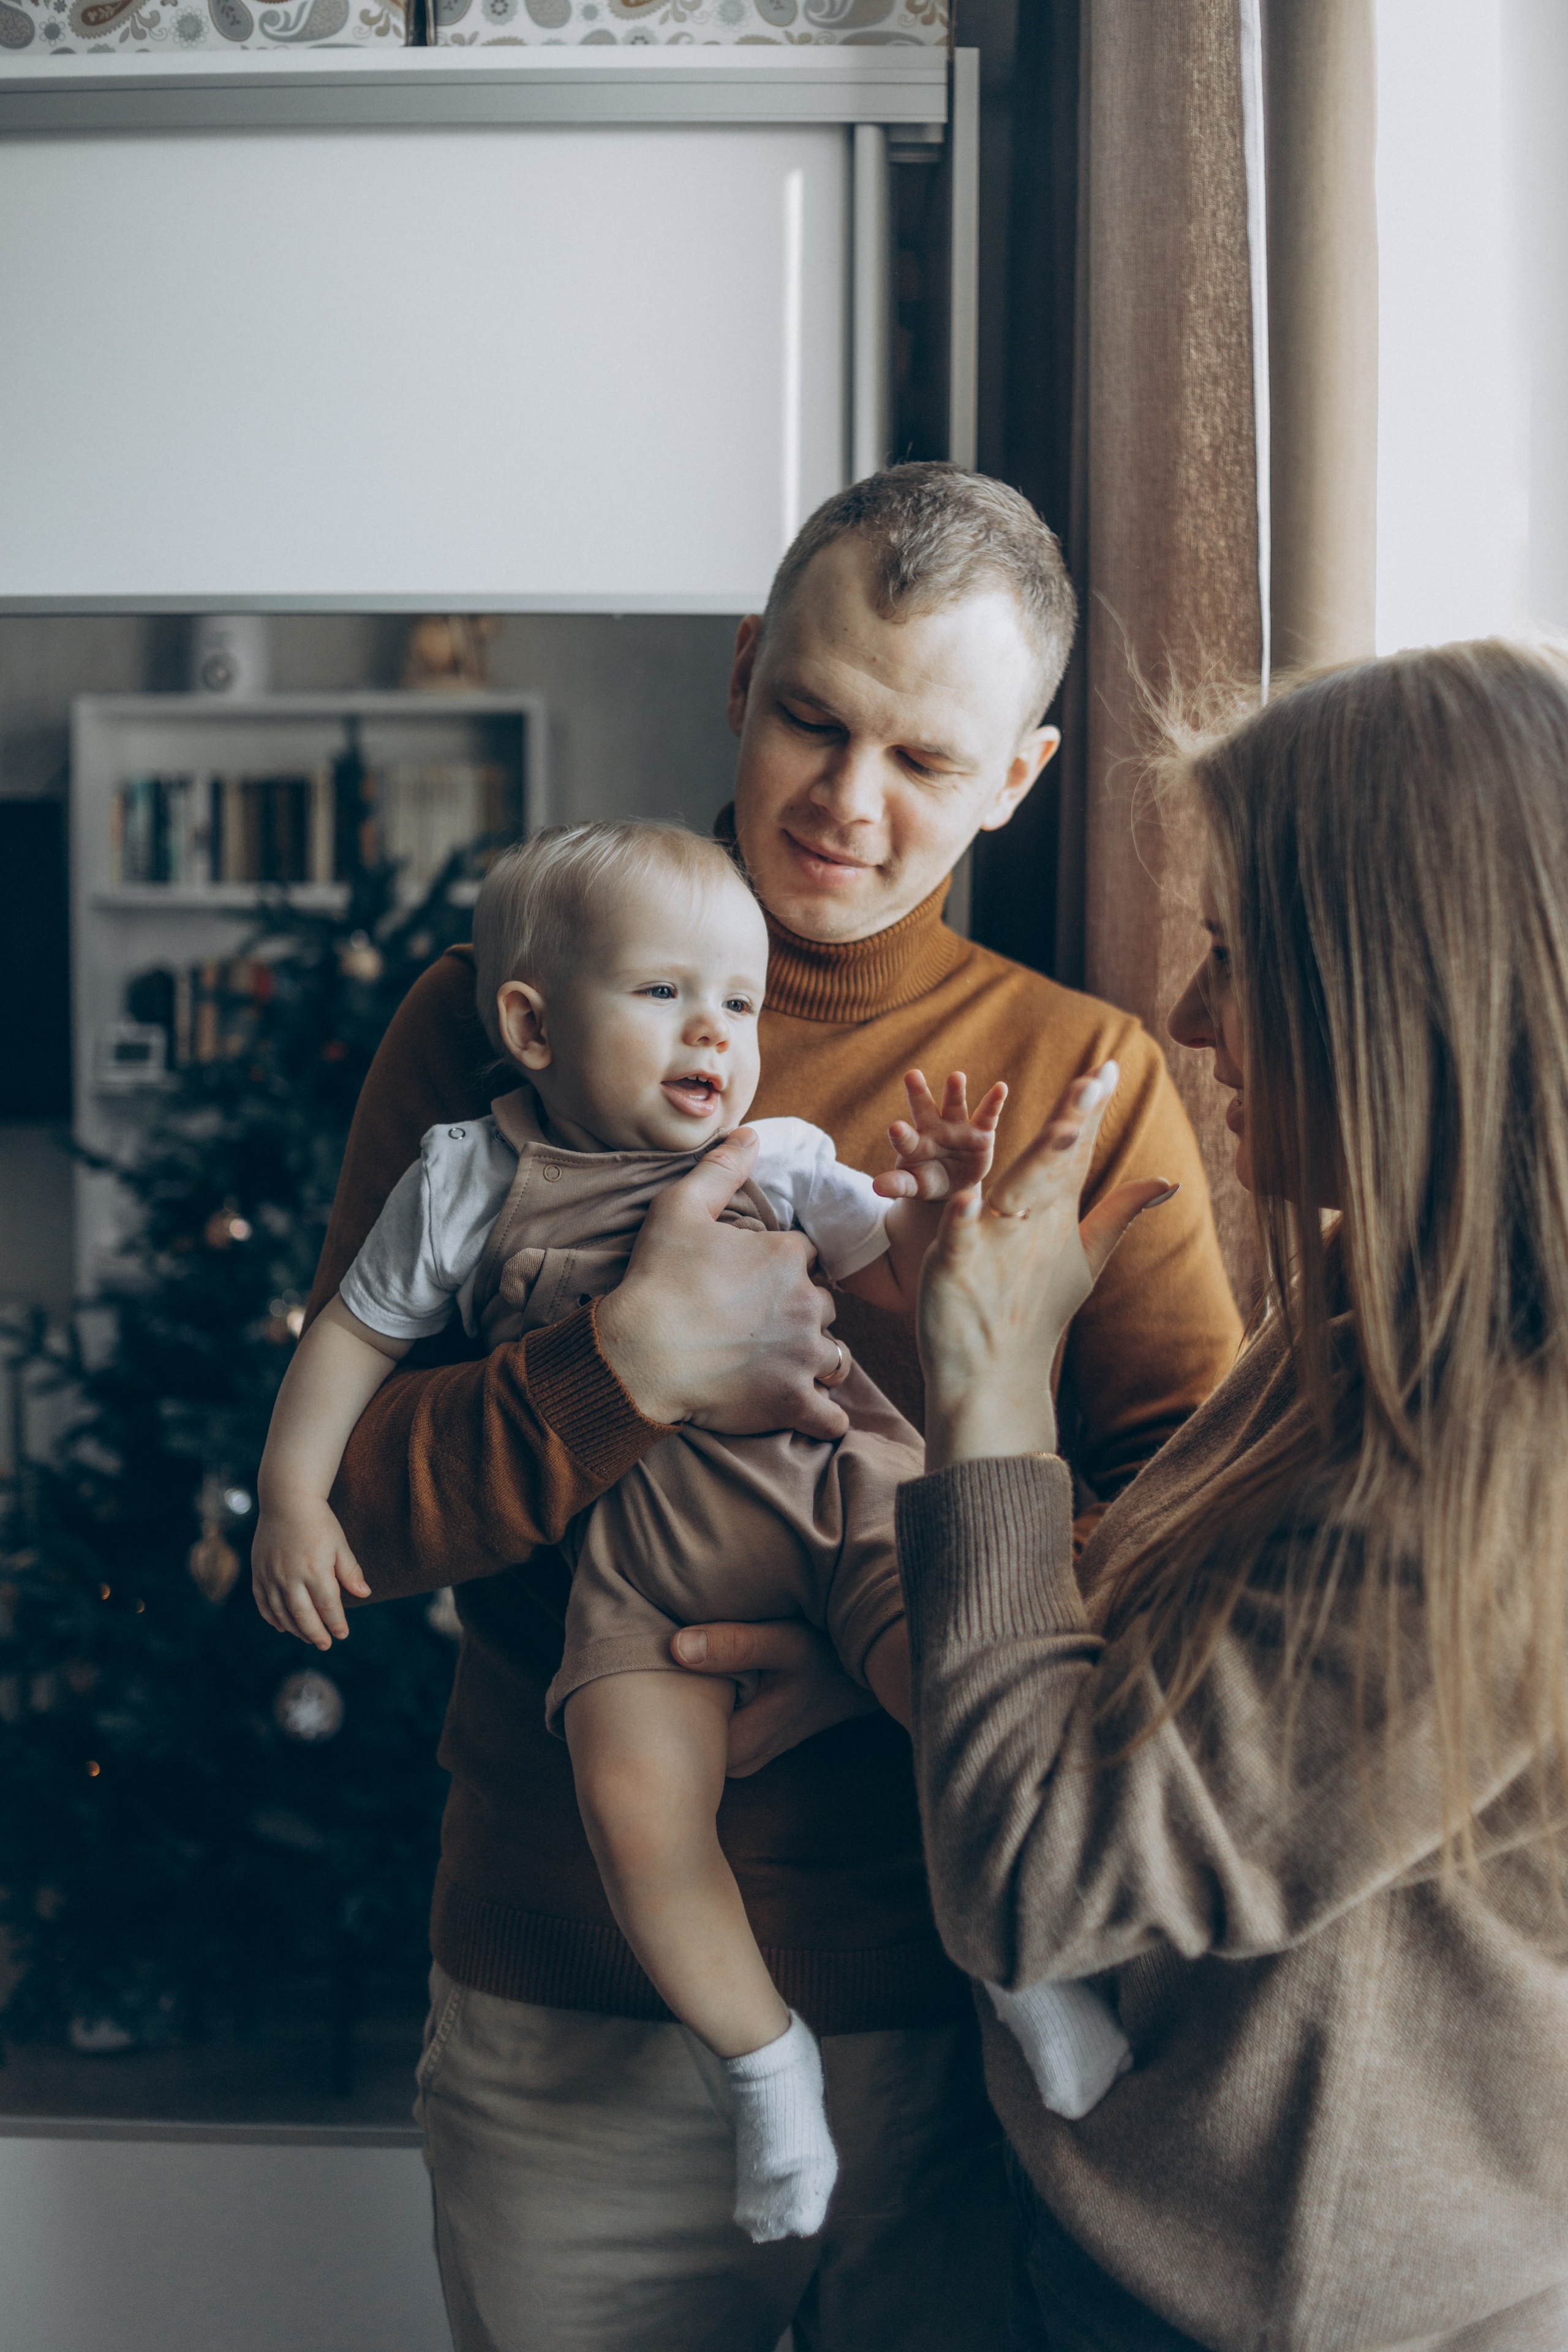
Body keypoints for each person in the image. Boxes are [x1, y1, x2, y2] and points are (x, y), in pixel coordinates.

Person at [306, 464, 1241, 2350]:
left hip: (961, 2013)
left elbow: (1202, 1538)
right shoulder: (505, 1017)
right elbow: (362, 1513)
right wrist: (626, 1367)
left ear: (1021, 780)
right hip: (565, 2014)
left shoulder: (1085, 1080)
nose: (847, 800)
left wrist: (908, 1647)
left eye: (922, 755)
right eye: (815, 715)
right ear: (745, 671)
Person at [898, 640, 1568, 2350]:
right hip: (1123, 2239)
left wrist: (988, 1397)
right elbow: (1113, 1673)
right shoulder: (1367, 1318)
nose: (1191, 1020)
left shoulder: (1496, 1484)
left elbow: (1040, 1863)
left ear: (1406, 989)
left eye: (1235, 955)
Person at [255, 818, 1015, 2240]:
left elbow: (909, 1270)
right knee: (635, 1809)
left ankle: (1032, 1976)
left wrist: (947, 1206)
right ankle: (762, 2065)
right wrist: (294, 1495)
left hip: (833, 1498)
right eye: (662, 994)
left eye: (737, 1001)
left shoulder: (777, 1152)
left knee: (966, 1704)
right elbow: (352, 1339)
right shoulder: (466, 1176)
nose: (711, 1033)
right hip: (649, 1576)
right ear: (531, 1025)